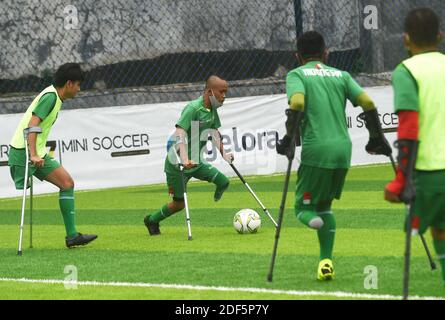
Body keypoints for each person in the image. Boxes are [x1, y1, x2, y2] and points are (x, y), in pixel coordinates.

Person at [277, 31, 391, 280]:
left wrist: (288, 138)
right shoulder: (342, 75)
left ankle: (312, 220)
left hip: (317, 149)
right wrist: (376, 137)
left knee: (301, 208)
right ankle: (325, 261)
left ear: (298, 56)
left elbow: (296, 104)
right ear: (326, 53)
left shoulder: (297, 74)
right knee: (325, 205)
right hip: (343, 151)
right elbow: (367, 102)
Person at [385, 8, 445, 287]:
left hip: (432, 172)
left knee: (427, 227)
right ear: (440, 36)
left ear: (406, 40)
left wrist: (401, 179)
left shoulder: (406, 71)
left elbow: (409, 128)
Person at [8, 63, 97, 248]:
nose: (79, 89)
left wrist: (36, 152)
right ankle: (71, 236)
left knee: (67, 183)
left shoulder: (56, 98)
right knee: (66, 183)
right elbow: (32, 125)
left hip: (35, 151)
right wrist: (32, 154)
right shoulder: (50, 97)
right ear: (69, 83)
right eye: (78, 84)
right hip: (24, 153)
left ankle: (72, 236)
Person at [144, 75, 234, 236]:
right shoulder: (193, 108)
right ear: (209, 92)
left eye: (226, 92)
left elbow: (214, 132)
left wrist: (224, 154)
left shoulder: (211, 110)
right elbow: (180, 132)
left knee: (224, 182)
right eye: (221, 92)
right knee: (179, 205)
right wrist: (185, 159)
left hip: (197, 162)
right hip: (177, 164)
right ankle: (152, 220)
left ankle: (216, 194)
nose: (224, 96)